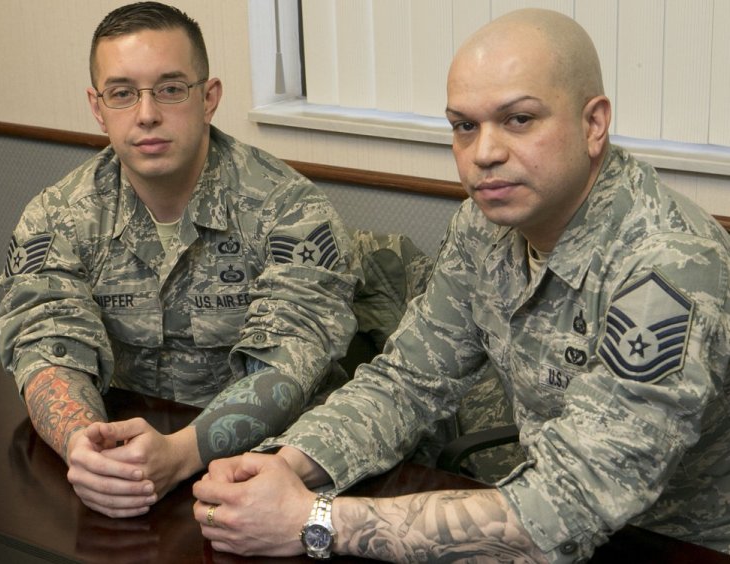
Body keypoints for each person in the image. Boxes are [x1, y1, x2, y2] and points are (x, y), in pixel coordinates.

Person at [191, 8, 730, 562]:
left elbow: (574, 500)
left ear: (593, 124)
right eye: (464, 126)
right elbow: (409, 380)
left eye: (519, 119)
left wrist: (314, 519)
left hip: (676, 544)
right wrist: (289, 462)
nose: (484, 153)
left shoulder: (670, 266)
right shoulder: (485, 225)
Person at [0, 1, 362, 519]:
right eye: (122, 93)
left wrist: (181, 452)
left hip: (269, 474)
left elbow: (289, 364)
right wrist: (83, 443)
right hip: (125, 463)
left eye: (170, 89)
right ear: (97, 107)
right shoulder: (57, 216)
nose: (147, 114)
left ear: (208, 97)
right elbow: (47, 344)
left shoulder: (290, 210)